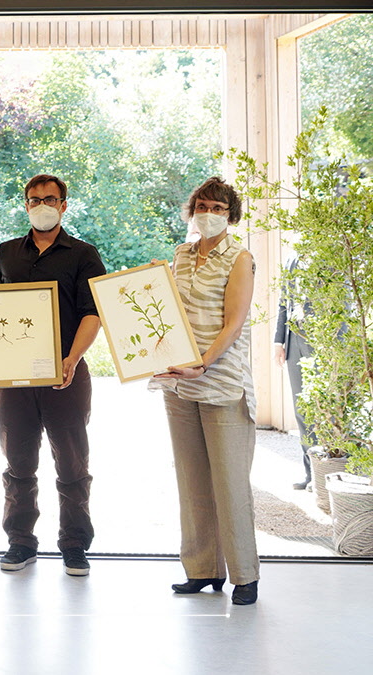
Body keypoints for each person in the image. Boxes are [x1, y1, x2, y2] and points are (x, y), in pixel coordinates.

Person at [0, 174, 105, 577]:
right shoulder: (6, 253)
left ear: (64, 205)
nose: (43, 205)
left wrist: (72, 358)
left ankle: (74, 544)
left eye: (51, 199)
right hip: (14, 380)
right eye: (35, 199)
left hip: (66, 374)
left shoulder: (84, 254)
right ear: (25, 205)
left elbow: (93, 313)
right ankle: (20, 542)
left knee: (72, 463)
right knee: (18, 462)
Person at [153, 177, 259, 605]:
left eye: (217, 207)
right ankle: (202, 570)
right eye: (202, 205)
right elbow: (165, 313)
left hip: (222, 382)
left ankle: (245, 575)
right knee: (192, 480)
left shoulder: (241, 257)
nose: (208, 213)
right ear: (191, 210)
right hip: (179, 383)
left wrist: (204, 362)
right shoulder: (180, 255)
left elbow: (234, 322)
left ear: (230, 214)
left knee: (230, 483)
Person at [273, 254, 315, 490]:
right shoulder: (291, 259)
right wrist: (279, 342)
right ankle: (311, 473)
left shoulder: (333, 249)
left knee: (325, 407)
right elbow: (283, 302)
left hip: (323, 340)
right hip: (293, 342)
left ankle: (331, 469)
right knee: (302, 409)